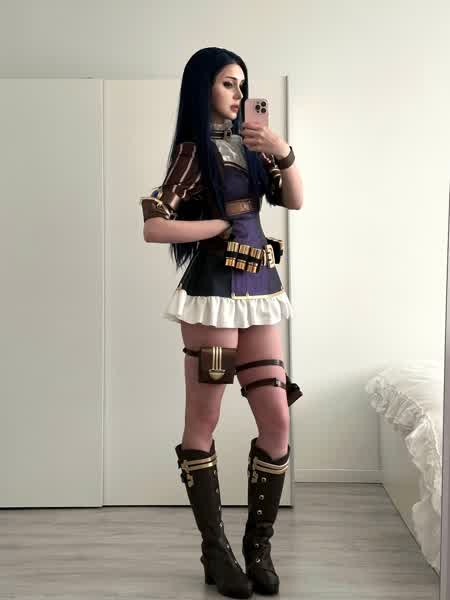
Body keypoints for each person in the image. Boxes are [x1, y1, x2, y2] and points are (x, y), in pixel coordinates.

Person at [140, 47, 303, 599]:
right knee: (204, 419)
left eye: (242, 84)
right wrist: (214, 227)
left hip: (259, 290)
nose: (238, 94)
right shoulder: (194, 151)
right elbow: (154, 225)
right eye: (228, 83)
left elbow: (295, 200)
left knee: (277, 418)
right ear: (202, 88)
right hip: (212, 294)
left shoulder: (254, 148)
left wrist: (281, 151)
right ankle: (216, 551)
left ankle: (259, 547)